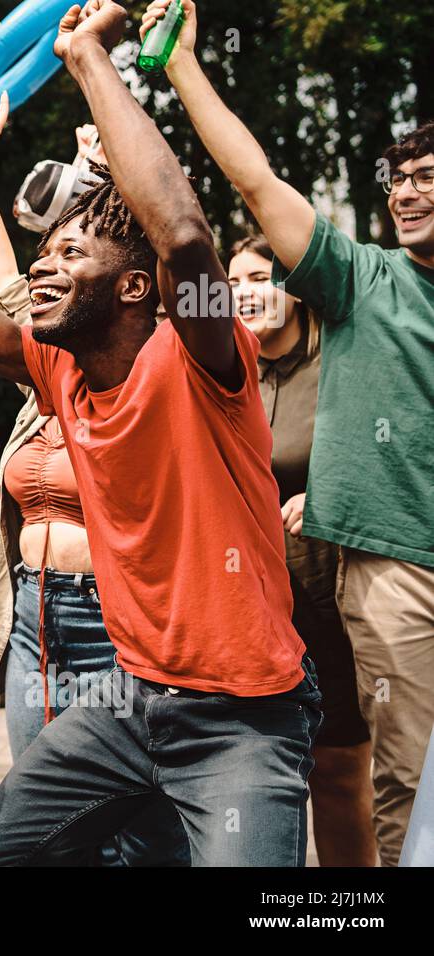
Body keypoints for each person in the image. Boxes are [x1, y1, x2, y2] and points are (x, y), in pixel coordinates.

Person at [0, 9, 319, 866]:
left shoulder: (202, 353)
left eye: (70, 253)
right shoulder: (59, 370)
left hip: (242, 718)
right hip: (124, 704)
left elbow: (187, 235)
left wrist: (87, 55)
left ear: (134, 287)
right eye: (42, 253)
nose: (42, 266)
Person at [149, 0, 434, 866]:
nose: (407, 192)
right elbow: (257, 182)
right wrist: (183, 67)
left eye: (428, 175)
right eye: (399, 180)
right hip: (400, 571)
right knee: (414, 779)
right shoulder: (364, 278)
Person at [0, 104, 188, 865]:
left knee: (139, 828)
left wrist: (114, 175)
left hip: (119, 619)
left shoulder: (150, 372)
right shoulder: (39, 371)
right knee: (44, 811)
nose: (46, 282)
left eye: (73, 257)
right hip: (36, 616)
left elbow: (175, 244)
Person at [227, 233, 376, 866]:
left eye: (259, 277)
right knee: (259, 777)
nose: (244, 294)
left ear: (294, 284)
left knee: (340, 773)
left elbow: (394, 454)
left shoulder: (344, 360)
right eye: (230, 284)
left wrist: (332, 496)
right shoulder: (222, 374)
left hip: (332, 597)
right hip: (246, 608)